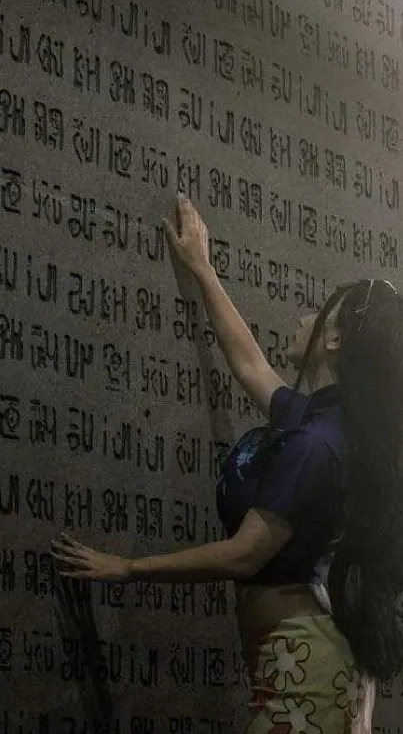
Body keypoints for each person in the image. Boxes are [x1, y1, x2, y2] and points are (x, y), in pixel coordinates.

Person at [51, 195, 403, 733]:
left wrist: (127, 567)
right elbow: (250, 365)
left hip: (304, 675)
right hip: (302, 667)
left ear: (334, 340)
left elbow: (244, 556)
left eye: (317, 311)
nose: (302, 316)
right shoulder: (323, 423)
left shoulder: (319, 444)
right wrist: (202, 269)